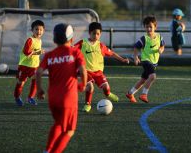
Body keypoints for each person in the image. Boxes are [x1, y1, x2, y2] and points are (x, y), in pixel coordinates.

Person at [36, 23, 87, 153]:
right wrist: (83, 84)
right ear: (71, 39)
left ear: (54, 39)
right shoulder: (75, 52)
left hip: (53, 98)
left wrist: (40, 89)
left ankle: (47, 150)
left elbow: (39, 72)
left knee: (59, 123)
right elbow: (82, 70)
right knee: (69, 130)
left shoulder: (50, 55)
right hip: (68, 98)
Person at [74, 22, 129, 112]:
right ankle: (88, 104)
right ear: (89, 33)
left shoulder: (101, 46)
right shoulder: (82, 43)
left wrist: (122, 59)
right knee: (90, 86)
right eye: (94, 33)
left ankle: (108, 94)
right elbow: (71, 49)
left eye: (98, 34)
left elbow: (112, 53)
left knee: (106, 87)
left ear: (100, 34)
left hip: (98, 73)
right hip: (85, 71)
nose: (96, 36)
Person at [126, 16, 165, 103]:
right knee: (152, 76)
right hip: (145, 61)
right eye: (147, 27)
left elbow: (162, 45)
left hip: (154, 63)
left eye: (151, 27)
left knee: (143, 80)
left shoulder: (159, 37)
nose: (148, 29)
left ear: (155, 27)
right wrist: (135, 57)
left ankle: (130, 93)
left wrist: (161, 50)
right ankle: (144, 94)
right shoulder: (144, 38)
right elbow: (136, 47)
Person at [13, 20, 45, 106]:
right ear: (32, 30)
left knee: (35, 80)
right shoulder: (30, 40)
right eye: (36, 29)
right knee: (21, 82)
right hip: (25, 66)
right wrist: (38, 52)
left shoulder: (39, 40)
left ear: (43, 31)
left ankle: (30, 97)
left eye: (41, 30)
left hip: (34, 66)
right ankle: (17, 97)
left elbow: (35, 53)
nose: (39, 31)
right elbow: (26, 52)